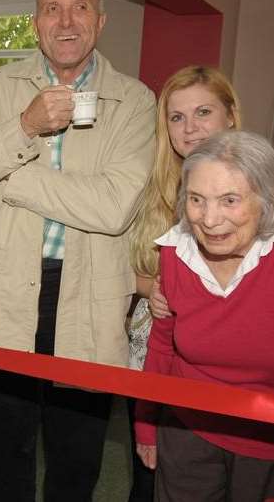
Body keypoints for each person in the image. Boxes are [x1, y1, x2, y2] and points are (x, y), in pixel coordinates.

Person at [0, 0, 156, 502]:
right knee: (3, 449)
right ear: (36, 24)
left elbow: (113, 207)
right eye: (53, 9)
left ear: (100, 21)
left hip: (87, 297)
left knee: (75, 454)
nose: (66, 20)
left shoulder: (134, 101)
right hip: (6, 291)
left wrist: (14, 178)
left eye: (80, 7)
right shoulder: (2, 89)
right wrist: (23, 127)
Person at [134, 130, 274, 501]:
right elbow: (162, 346)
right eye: (197, 200)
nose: (209, 220)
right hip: (187, 428)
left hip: (265, 439)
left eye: (230, 200)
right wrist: (146, 425)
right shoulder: (175, 253)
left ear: (265, 201)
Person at [126, 65, 241, 501]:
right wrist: (154, 288)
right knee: (150, 472)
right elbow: (125, 269)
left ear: (230, 116)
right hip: (154, 344)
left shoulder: (261, 188)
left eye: (203, 112)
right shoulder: (150, 186)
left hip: (233, 361)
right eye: (177, 117)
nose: (190, 128)